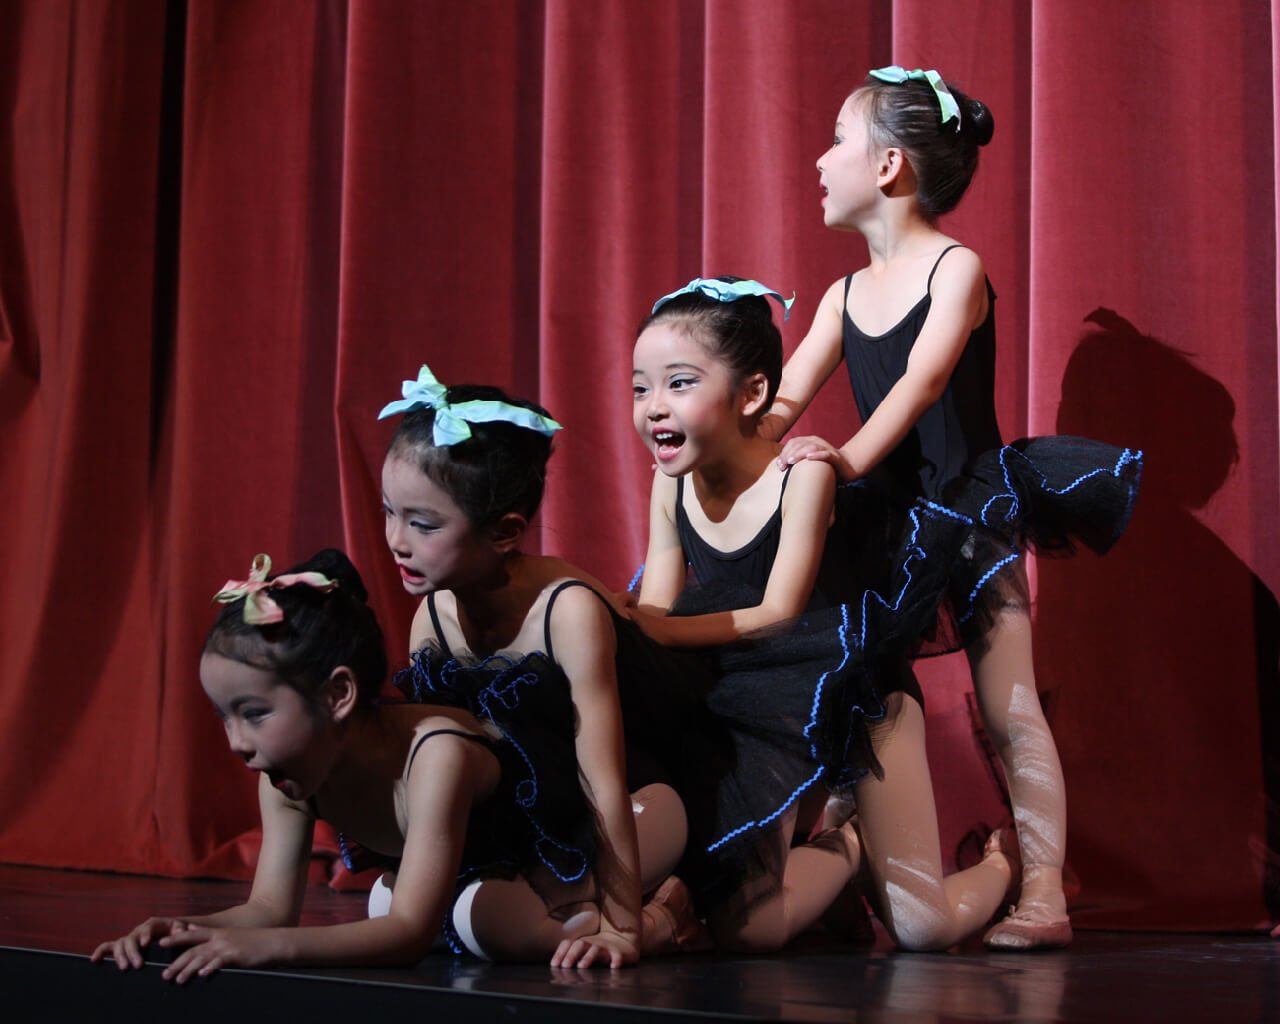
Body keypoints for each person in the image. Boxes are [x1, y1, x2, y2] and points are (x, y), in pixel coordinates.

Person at [762, 67, 1143, 950]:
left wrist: (843, 456)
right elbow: (783, 400)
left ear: (890, 165)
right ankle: (852, 856)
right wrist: (732, 443)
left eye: (835, 140)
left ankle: (1043, 886)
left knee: (1007, 705)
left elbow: (923, 380)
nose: (818, 160)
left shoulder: (955, 267)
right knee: (854, 688)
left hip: (968, 508)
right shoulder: (842, 296)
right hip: (885, 519)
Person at [630, 278, 1022, 952]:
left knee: (923, 929)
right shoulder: (673, 487)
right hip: (757, 711)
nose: (653, 407)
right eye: (640, 388)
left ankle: (1001, 865)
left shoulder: (800, 476)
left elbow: (778, 612)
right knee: (747, 931)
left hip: (859, 702)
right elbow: (656, 605)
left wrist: (649, 628)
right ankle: (846, 851)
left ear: (752, 394)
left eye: (679, 384)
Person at [92, 547, 691, 979]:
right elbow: (270, 907)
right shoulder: (286, 774)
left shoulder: (437, 756)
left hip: (629, 820)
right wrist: (184, 930)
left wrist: (266, 949)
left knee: (488, 923)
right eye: (225, 717)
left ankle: (666, 914)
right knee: (388, 900)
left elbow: (407, 937)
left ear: (337, 695)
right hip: (486, 873)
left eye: (252, 714)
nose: (234, 742)